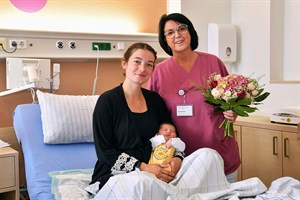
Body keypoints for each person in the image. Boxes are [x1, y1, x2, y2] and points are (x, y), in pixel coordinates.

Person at [147, 13, 240, 183]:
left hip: (220, 151)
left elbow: (231, 101)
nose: (177, 35)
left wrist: (233, 112)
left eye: (182, 28)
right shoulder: (159, 72)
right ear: (164, 40)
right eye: (170, 32)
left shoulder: (214, 63)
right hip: (181, 160)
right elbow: (153, 116)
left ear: (190, 32)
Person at [89, 42, 184, 192]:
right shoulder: (107, 101)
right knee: (141, 183)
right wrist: (144, 167)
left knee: (208, 156)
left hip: (157, 170)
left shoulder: (155, 101)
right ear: (124, 63)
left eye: (149, 64)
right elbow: (104, 152)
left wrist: (177, 160)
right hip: (115, 175)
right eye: (137, 61)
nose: (142, 69)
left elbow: (173, 137)